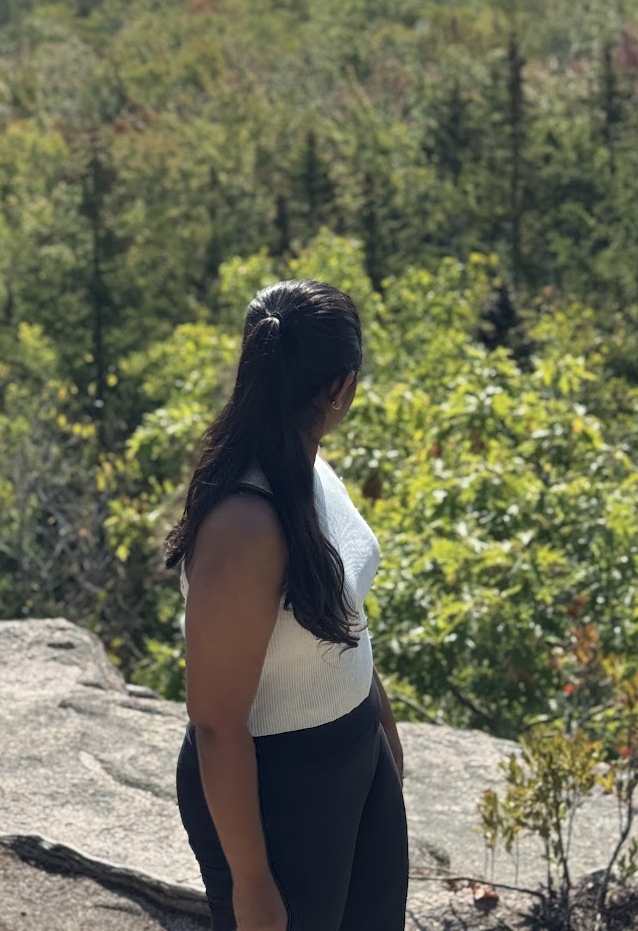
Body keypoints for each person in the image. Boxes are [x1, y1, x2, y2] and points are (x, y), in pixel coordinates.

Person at [169, 278, 408, 931]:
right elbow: (216, 724)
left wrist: (379, 724)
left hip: (352, 755)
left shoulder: (311, 470)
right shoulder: (245, 525)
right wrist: (251, 884)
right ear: (340, 389)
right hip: (280, 789)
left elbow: (341, 611)